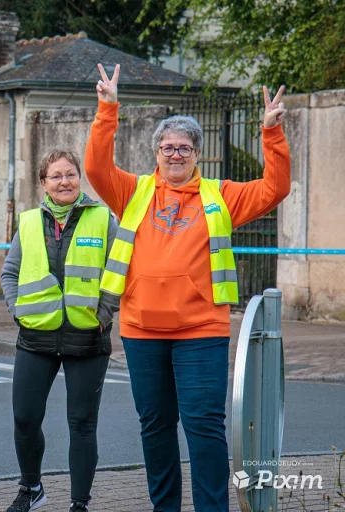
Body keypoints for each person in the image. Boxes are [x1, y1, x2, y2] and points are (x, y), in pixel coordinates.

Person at [84, 64, 290, 511]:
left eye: (184, 148)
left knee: (204, 429)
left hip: (201, 331)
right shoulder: (133, 191)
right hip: (141, 331)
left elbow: (275, 188)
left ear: (198, 153)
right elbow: (95, 168)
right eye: (167, 147)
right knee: (155, 428)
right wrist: (107, 109)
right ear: (156, 152)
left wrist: (271, 133)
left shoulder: (222, 195)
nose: (175, 154)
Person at [1, 149, 119, 512]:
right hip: (35, 336)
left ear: (79, 178)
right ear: (43, 183)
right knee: (24, 418)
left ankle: (79, 503)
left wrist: (103, 315)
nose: (64, 181)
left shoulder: (103, 219)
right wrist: (18, 311)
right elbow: (9, 273)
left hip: (87, 337)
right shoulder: (29, 222)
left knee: (82, 424)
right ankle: (31, 489)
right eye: (56, 176)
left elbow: (117, 272)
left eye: (70, 174)